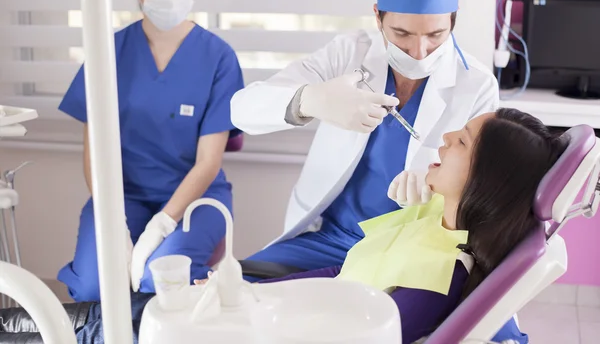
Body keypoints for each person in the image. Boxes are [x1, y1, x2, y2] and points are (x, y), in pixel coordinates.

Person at [0, 108, 567, 343]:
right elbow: (341, 271)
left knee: (93, 325)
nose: (444, 138)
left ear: (486, 181)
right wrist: (240, 285)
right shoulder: (430, 222)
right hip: (260, 313)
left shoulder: (435, 280)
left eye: (462, 141)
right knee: (95, 318)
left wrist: (239, 307)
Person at [230, 0, 527, 342]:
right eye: (402, 34)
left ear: (453, 22)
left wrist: (435, 191)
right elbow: (240, 109)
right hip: (331, 240)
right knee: (232, 297)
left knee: (488, 327)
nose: (419, 51)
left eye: (436, 35)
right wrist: (310, 100)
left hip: (414, 246)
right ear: (377, 16)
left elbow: (483, 185)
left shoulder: (476, 85)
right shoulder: (348, 54)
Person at [57, 0, 244, 302]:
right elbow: (93, 151)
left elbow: (209, 162)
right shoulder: (108, 52)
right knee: (96, 288)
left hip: (194, 198)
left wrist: (162, 225)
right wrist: (114, 219)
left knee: (158, 281)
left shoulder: (218, 57)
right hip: (120, 196)